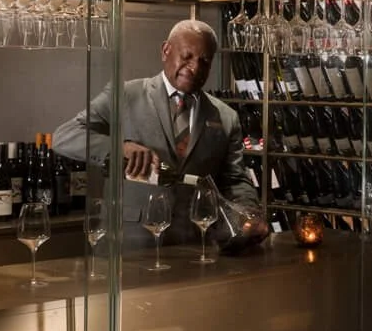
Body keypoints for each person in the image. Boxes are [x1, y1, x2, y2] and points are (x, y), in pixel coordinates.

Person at [52, 20, 259, 241]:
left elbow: (236, 180)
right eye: (187, 56)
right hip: (129, 243)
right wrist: (120, 148)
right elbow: (64, 137)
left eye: (204, 61)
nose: (195, 68)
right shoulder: (124, 95)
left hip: (195, 243)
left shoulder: (226, 117)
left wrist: (250, 213)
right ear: (165, 50)